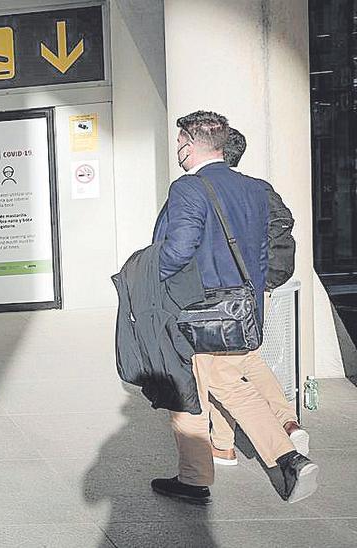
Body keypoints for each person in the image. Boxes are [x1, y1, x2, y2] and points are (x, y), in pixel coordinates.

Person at [150, 111, 317, 505]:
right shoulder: (254, 188)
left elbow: (178, 249)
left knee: (203, 388)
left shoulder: (188, 188)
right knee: (205, 386)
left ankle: (284, 457)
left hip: (201, 310)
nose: (178, 149)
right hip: (241, 308)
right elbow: (259, 255)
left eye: (179, 143)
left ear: (189, 145)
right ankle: (202, 471)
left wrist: (149, 275)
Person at [208, 128, 309, 466]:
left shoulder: (222, 190)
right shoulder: (258, 188)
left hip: (227, 293)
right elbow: (283, 223)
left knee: (222, 369)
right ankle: (278, 424)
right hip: (254, 292)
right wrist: (269, 277)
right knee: (242, 359)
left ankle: (266, 445)